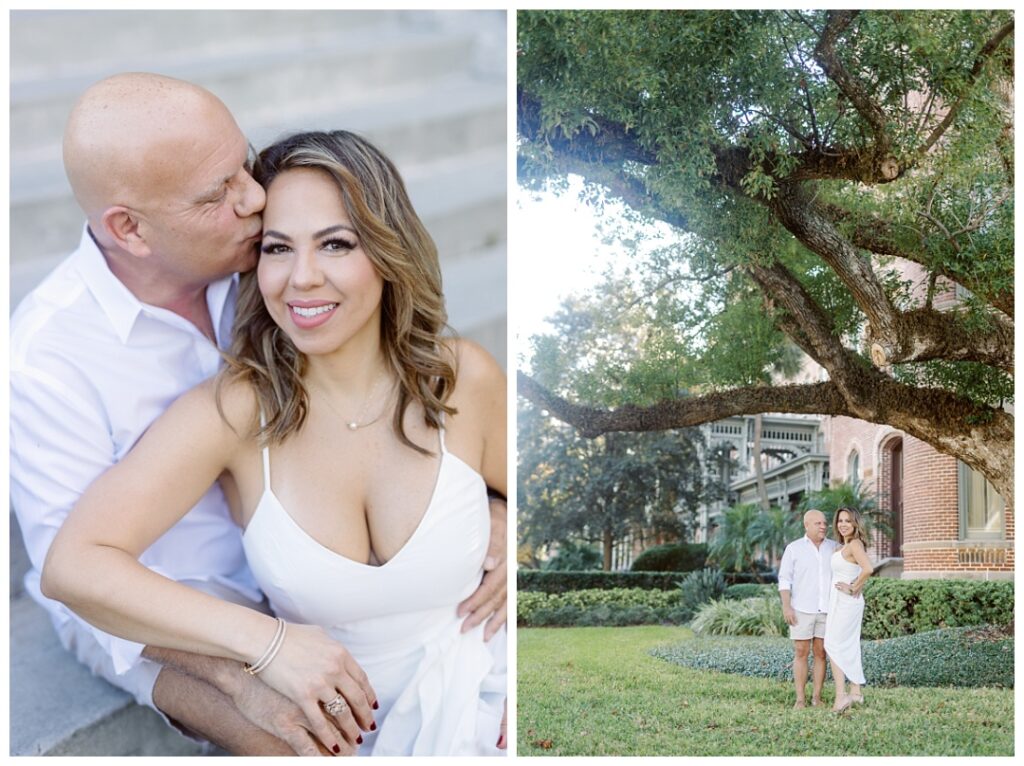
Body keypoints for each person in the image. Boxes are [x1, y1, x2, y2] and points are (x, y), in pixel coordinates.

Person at [11, 72, 507, 756]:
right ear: (131, 229)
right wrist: (254, 658)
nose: (254, 198)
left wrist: (500, 515)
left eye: (242, 164)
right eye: (221, 194)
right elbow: (78, 584)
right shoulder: (50, 359)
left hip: (426, 637)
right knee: (296, 735)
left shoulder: (246, 257)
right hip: (175, 615)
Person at [777, 509, 839, 709]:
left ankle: (817, 698)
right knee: (801, 652)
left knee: (821, 653)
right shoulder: (794, 549)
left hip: (827, 609)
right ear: (807, 525)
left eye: (824, 523)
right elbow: (785, 579)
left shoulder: (835, 547)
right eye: (818, 523)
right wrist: (787, 606)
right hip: (801, 609)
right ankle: (800, 699)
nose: (823, 526)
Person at [824, 507, 872, 713]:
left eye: (848, 521)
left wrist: (853, 586)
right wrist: (854, 586)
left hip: (847, 601)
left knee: (832, 644)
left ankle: (841, 696)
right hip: (840, 600)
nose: (843, 524)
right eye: (840, 520)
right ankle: (856, 692)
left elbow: (868, 568)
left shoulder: (854, 544)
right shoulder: (843, 547)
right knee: (848, 644)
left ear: (855, 524)